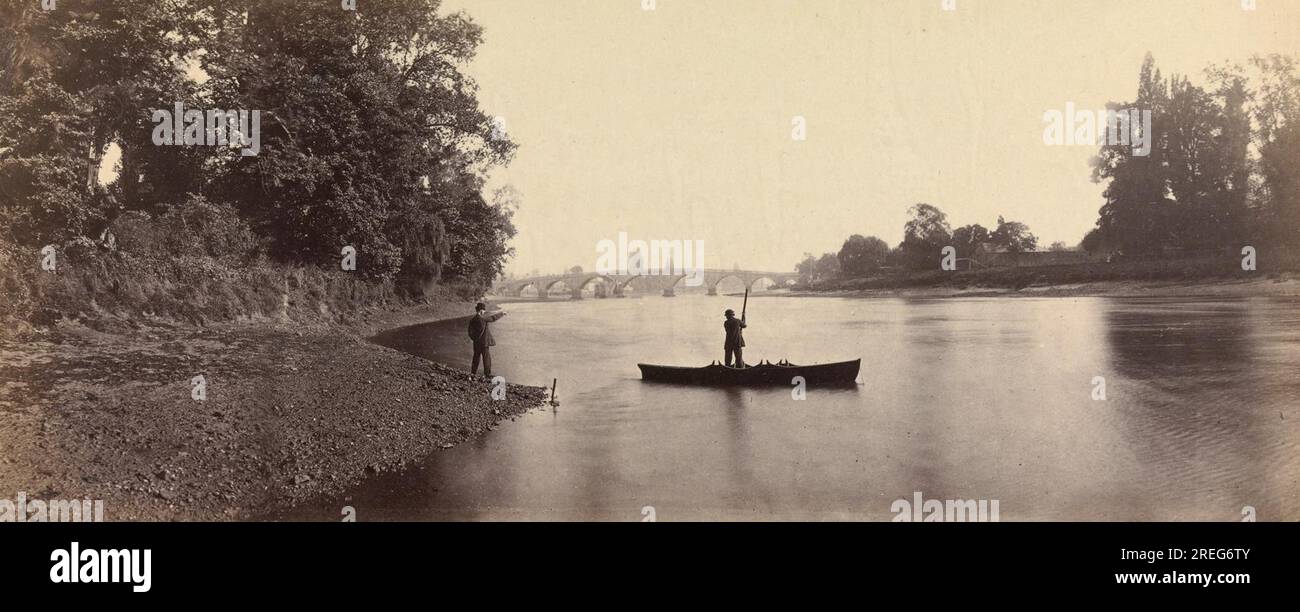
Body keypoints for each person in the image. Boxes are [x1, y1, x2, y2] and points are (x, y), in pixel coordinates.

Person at [467, 302, 506, 377]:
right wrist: (502, 313)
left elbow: (470, 332)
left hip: (476, 343)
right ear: (481, 311)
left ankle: (473, 372)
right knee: (486, 359)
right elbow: (493, 318)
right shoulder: (483, 319)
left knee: (476, 358)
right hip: (484, 343)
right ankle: (487, 374)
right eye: (484, 311)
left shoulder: (472, 320)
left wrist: (474, 338)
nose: (484, 312)